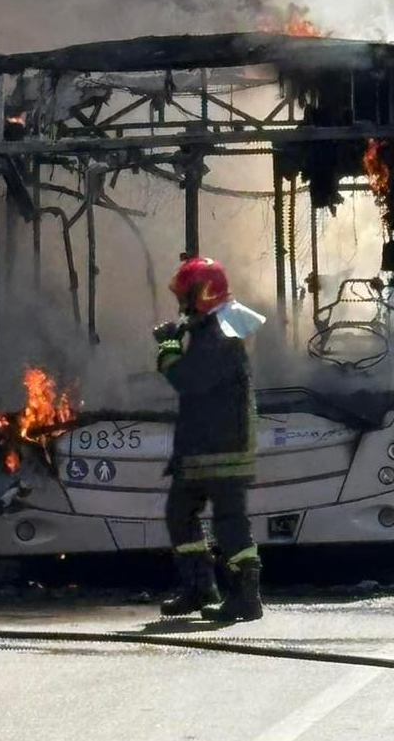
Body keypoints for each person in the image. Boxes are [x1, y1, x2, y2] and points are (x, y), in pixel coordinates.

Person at [155, 256, 266, 623]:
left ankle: (246, 598)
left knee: (229, 521)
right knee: (180, 513)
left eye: (186, 295)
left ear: (201, 294)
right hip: (205, 446)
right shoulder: (214, 327)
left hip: (221, 449)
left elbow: (187, 379)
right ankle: (199, 586)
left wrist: (168, 347)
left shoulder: (220, 333)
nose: (181, 303)